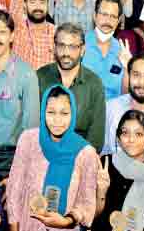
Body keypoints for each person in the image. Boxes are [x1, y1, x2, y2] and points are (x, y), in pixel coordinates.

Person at [6, 85, 99, 231]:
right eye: (51, 112)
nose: (57, 120)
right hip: (28, 228)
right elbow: (14, 192)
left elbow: (86, 204)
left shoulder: (86, 153)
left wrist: (67, 221)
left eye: (64, 113)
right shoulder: (28, 140)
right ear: (43, 112)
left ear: (73, 114)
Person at [0, 9, 40, 185]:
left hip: (9, 159)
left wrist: (19, 170)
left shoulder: (26, 74)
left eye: (2, 32)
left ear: (12, 36)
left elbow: (31, 130)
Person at [92, 109, 144, 231]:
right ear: (118, 138)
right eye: (125, 133)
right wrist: (101, 192)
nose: (131, 139)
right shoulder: (104, 165)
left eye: (138, 134)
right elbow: (90, 217)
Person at [36, 23, 106, 151]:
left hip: (80, 156)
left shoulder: (94, 84)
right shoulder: (40, 77)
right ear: (54, 47)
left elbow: (96, 138)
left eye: (73, 47)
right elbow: (33, 127)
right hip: (43, 153)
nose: (66, 53)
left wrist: (80, 160)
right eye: (61, 45)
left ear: (82, 50)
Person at [82, 0, 131, 101]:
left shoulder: (122, 51)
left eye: (113, 16)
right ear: (95, 16)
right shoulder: (80, 44)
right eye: (104, 14)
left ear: (118, 21)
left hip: (114, 109)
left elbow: (125, 96)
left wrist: (127, 69)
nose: (108, 20)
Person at [11, 0, 55, 69]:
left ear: (47, 6)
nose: (38, 7)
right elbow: (15, 6)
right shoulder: (18, 27)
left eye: (42, 2)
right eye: (32, 2)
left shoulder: (55, 32)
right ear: (24, 6)